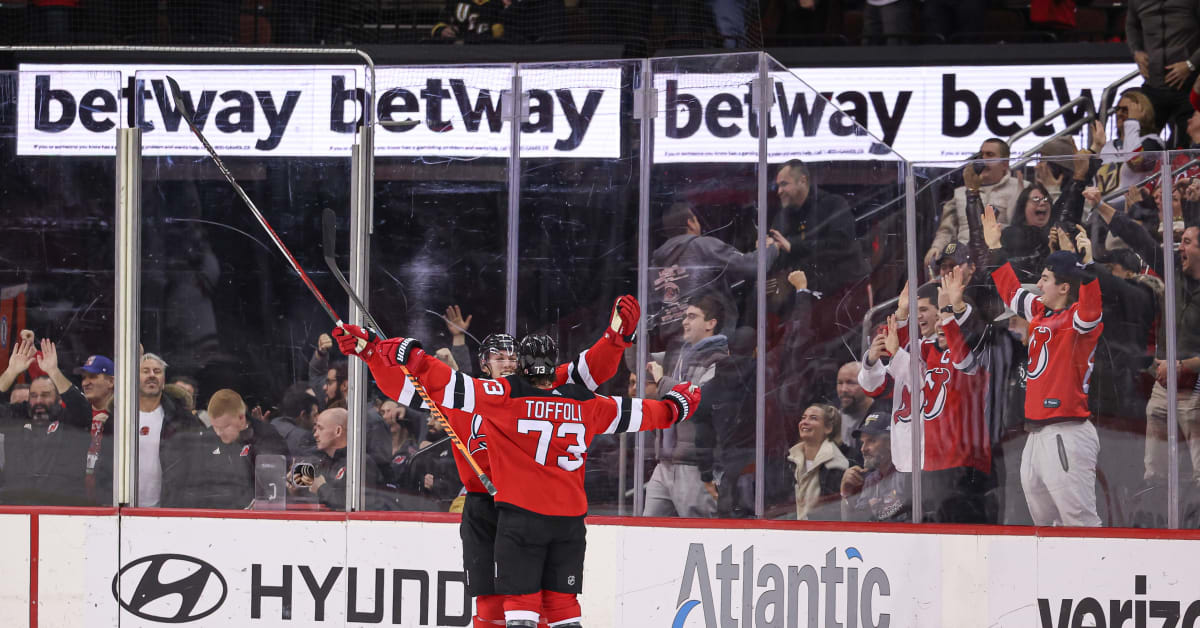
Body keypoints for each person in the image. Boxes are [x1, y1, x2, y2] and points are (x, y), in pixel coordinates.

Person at [334, 322, 699, 628]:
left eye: (513, 357)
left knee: (536, 604)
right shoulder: (470, 395)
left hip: (522, 509)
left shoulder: (526, 388)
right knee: (495, 608)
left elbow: (589, 370)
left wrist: (616, 338)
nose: (508, 363)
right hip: (487, 509)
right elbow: (400, 387)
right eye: (499, 357)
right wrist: (371, 354)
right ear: (484, 363)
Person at [984, 205, 1105, 527]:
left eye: (1046, 278)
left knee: (1078, 520)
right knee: (1045, 523)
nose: (1039, 283)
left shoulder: (1078, 320)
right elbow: (1011, 293)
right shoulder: (1040, 312)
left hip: (1067, 431)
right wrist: (995, 247)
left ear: (1065, 287)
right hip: (1037, 433)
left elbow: (1091, 310)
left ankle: (1094, 576)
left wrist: (1088, 267)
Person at [648, 203, 778, 345]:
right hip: (708, 346)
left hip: (672, 351)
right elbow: (752, 265)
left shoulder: (654, 267)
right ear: (691, 223)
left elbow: (652, 316)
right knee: (747, 335)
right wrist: (770, 248)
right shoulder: (702, 246)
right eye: (697, 220)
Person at [642, 296, 725, 518]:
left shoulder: (720, 360)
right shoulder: (678, 354)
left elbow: (698, 402)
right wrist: (634, 336)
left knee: (699, 533)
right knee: (646, 532)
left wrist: (662, 382)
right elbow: (641, 366)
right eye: (685, 317)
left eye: (692, 316)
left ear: (711, 323)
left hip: (694, 466)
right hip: (665, 463)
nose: (684, 322)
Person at [771, 160, 869, 320]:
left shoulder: (834, 204)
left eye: (784, 184)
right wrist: (769, 249)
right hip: (801, 299)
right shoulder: (783, 217)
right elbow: (780, 252)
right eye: (778, 186)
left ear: (802, 180)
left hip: (842, 295)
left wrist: (793, 246)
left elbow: (840, 243)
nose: (779, 191)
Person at [0, 338, 92, 505]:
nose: (39, 401)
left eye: (45, 395)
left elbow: (82, 409)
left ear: (58, 399)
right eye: (33, 396)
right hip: (17, 511)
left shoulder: (70, 420)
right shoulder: (19, 416)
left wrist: (54, 372)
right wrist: (11, 372)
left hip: (64, 512)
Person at [162, 389, 288, 509]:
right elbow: (196, 485)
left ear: (241, 417)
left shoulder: (265, 437)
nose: (219, 433)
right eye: (215, 427)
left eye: (225, 427)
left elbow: (276, 486)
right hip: (217, 516)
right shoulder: (207, 439)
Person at [925, 138, 1025, 267]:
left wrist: (1021, 195)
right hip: (962, 258)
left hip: (1000, 256)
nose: (982, 159)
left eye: (990, 155)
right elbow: (946, 230)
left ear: (1005, 163)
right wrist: (937, 247)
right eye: (981, 154)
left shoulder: (1020, 188)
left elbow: (1022, 227)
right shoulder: (960, 193)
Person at [1126, 0, 1200, 147]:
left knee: (1190, 148)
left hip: (1188, 85)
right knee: (1140, 148)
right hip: (1153, 84)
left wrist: (1191, 64)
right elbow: (1131, 25)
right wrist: (1136, 51)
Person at [137, 352, 204, 507]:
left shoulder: (183, 420)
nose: (152, 375)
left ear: (164, 379)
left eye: (157, 371)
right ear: (134, 377)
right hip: (122, 512)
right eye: (145, 371)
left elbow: (195, 468)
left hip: (167, 512)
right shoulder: (120, 418)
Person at [840, 409, 909, 522]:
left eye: (871, 441)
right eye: (863, 442)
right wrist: (846, 494)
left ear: (891, 442)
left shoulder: (909, 474)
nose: (863, 449)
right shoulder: (871, 480)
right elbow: (855, 525)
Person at [787, 403, 849, 521]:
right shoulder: (788, 460)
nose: (805, 422)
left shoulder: (838, 465)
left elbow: (832, 513)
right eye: (803, 418)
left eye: (813, 418)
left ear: (828, 428)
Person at [75, 354, 115, 505]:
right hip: (77, 500)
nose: (86, 383)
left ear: (111, 381)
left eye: (92, 376)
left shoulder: (124, 416)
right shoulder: (76, 415)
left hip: (109, 500)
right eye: (84, 378)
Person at [836, 361, 874, 458]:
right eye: (840, 383)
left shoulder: (882, 418)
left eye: (851, 383)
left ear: (867, 384)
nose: (843, 389)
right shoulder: (831, 418)